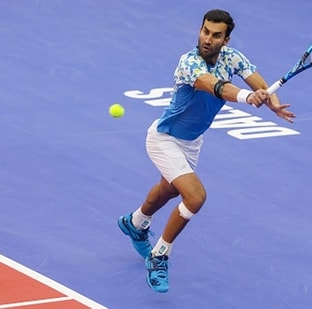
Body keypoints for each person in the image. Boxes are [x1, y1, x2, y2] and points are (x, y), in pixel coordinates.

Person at [118, 9, 295, 293]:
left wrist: (271, 100)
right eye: (204, 31)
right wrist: (248, 97)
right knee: (195, 196)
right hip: (164, 139)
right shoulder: (189, 62)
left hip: (191, 142)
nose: (207, 39)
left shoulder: (233, 57)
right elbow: (213, 85)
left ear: (226, 39)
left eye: (215, 35)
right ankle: (160, 255)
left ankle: (135, 222)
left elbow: (260, 83)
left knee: (170, 189)